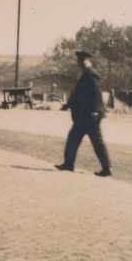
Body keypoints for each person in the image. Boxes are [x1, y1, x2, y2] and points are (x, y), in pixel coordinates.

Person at [55, 49, 113, 177]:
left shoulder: (90, 74)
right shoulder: (85, 74)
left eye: (80, 61)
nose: (78, 63)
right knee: (73, 139)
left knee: (96, 142)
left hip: (90, 115)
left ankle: (106, 168)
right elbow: (79, 95)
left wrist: (96, 111)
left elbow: (96, 94)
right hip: (83, 115)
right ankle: (68, 164)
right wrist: (67, 105)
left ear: (85, 62)